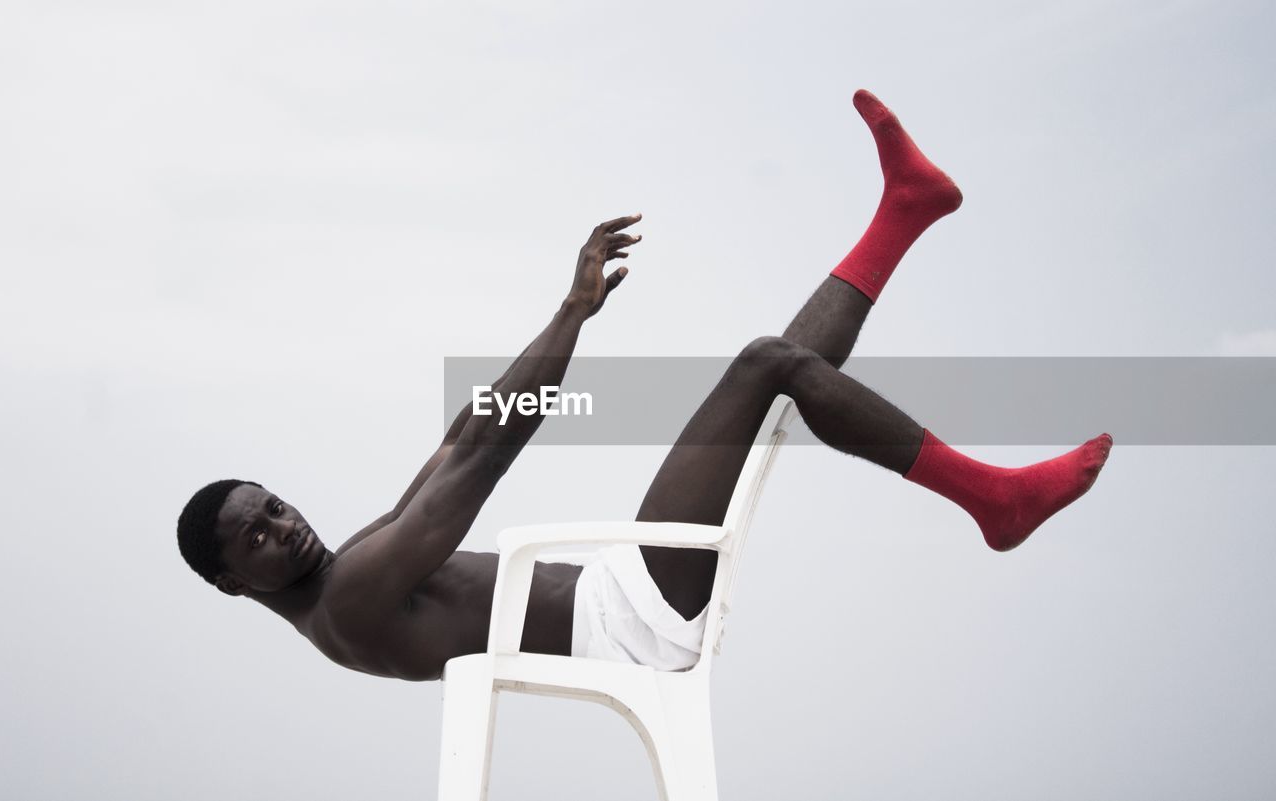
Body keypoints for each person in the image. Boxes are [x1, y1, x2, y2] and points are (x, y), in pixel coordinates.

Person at [176, 90, 1111, 681]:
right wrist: (576, 312)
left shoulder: (347, 565)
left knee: (775, 379)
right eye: (254, 535)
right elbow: (487, 458)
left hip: (630, 590)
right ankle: (996, 501)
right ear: (231, 583)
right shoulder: (347, 606)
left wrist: (560, 320)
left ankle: (904, 213)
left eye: (273, 503)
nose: (282, 523)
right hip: (636, 619)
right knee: (763, 366)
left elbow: (465, 431)